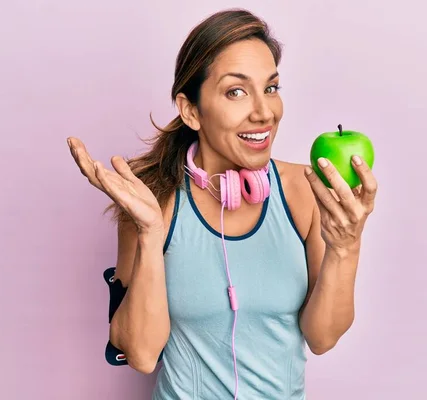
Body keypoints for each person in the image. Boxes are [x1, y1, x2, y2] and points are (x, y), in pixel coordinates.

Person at [67, 8, 378, 400]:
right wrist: (148, 233)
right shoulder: (152, 200)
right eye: (236, 91)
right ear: (191, 110)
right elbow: (142, 355)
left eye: (271, 88)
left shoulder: (304, 189)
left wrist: (345, 247)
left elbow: (323, 337)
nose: (265, 113)